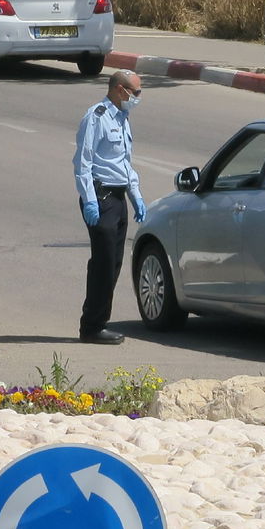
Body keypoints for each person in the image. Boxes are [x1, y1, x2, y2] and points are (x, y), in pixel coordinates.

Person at [72, 70, 146, 345]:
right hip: (100, 197)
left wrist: (135, 194)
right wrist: (89, 199)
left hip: (118, 197)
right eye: (135, 93)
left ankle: (98, 321)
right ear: (119, 90)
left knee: (114, 263)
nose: (138, 98)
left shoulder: (123, 120)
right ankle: (92, 326)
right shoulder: (97, 117)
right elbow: (83, 162)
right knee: (102, 263)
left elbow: (124, 163)